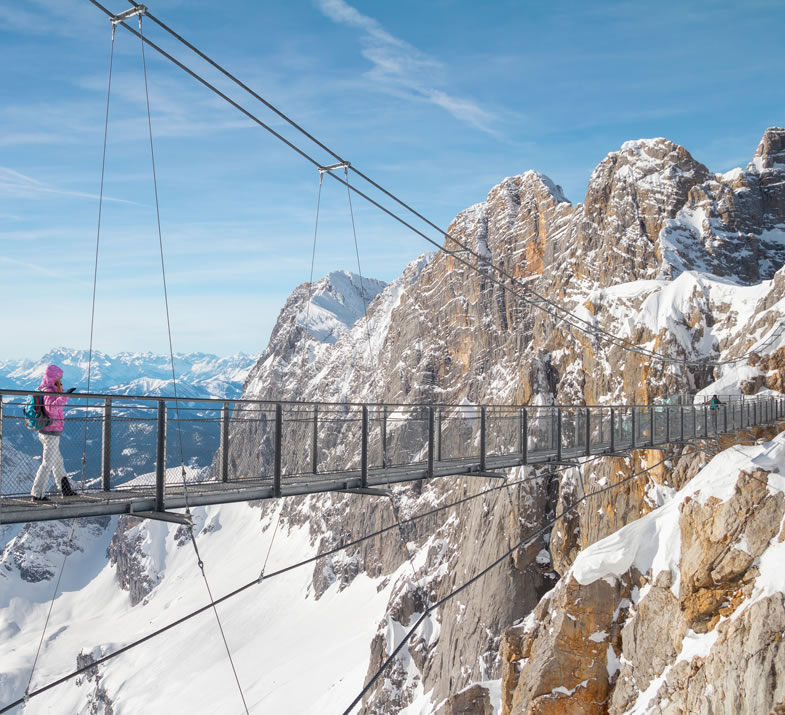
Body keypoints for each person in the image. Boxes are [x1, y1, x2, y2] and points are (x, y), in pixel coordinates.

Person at [30, 365, 76, 501]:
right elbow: (51, 408)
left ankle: (65, 489)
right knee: (47, 463)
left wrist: (62, 394)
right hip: (50, 432)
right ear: (53, 377)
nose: (60, 379)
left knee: (58, 462)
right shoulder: (49, 390)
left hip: (49, 431)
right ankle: (37, 494)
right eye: (58, 377)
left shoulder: (49, 389)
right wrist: (65, 397)